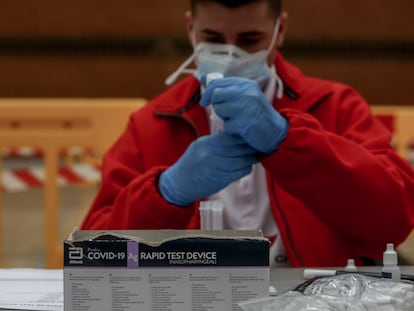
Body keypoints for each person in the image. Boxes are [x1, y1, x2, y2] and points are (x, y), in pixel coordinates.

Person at [81, 0, 414, 267]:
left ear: (280, 30)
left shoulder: (335, 107)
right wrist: (166, 192)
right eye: (212, 39)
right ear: (190, 30)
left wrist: (290, 141)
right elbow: (95, 256)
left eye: (249, 40)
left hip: (313, 297)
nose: (230, 54)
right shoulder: (153, 123)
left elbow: (394, 220)